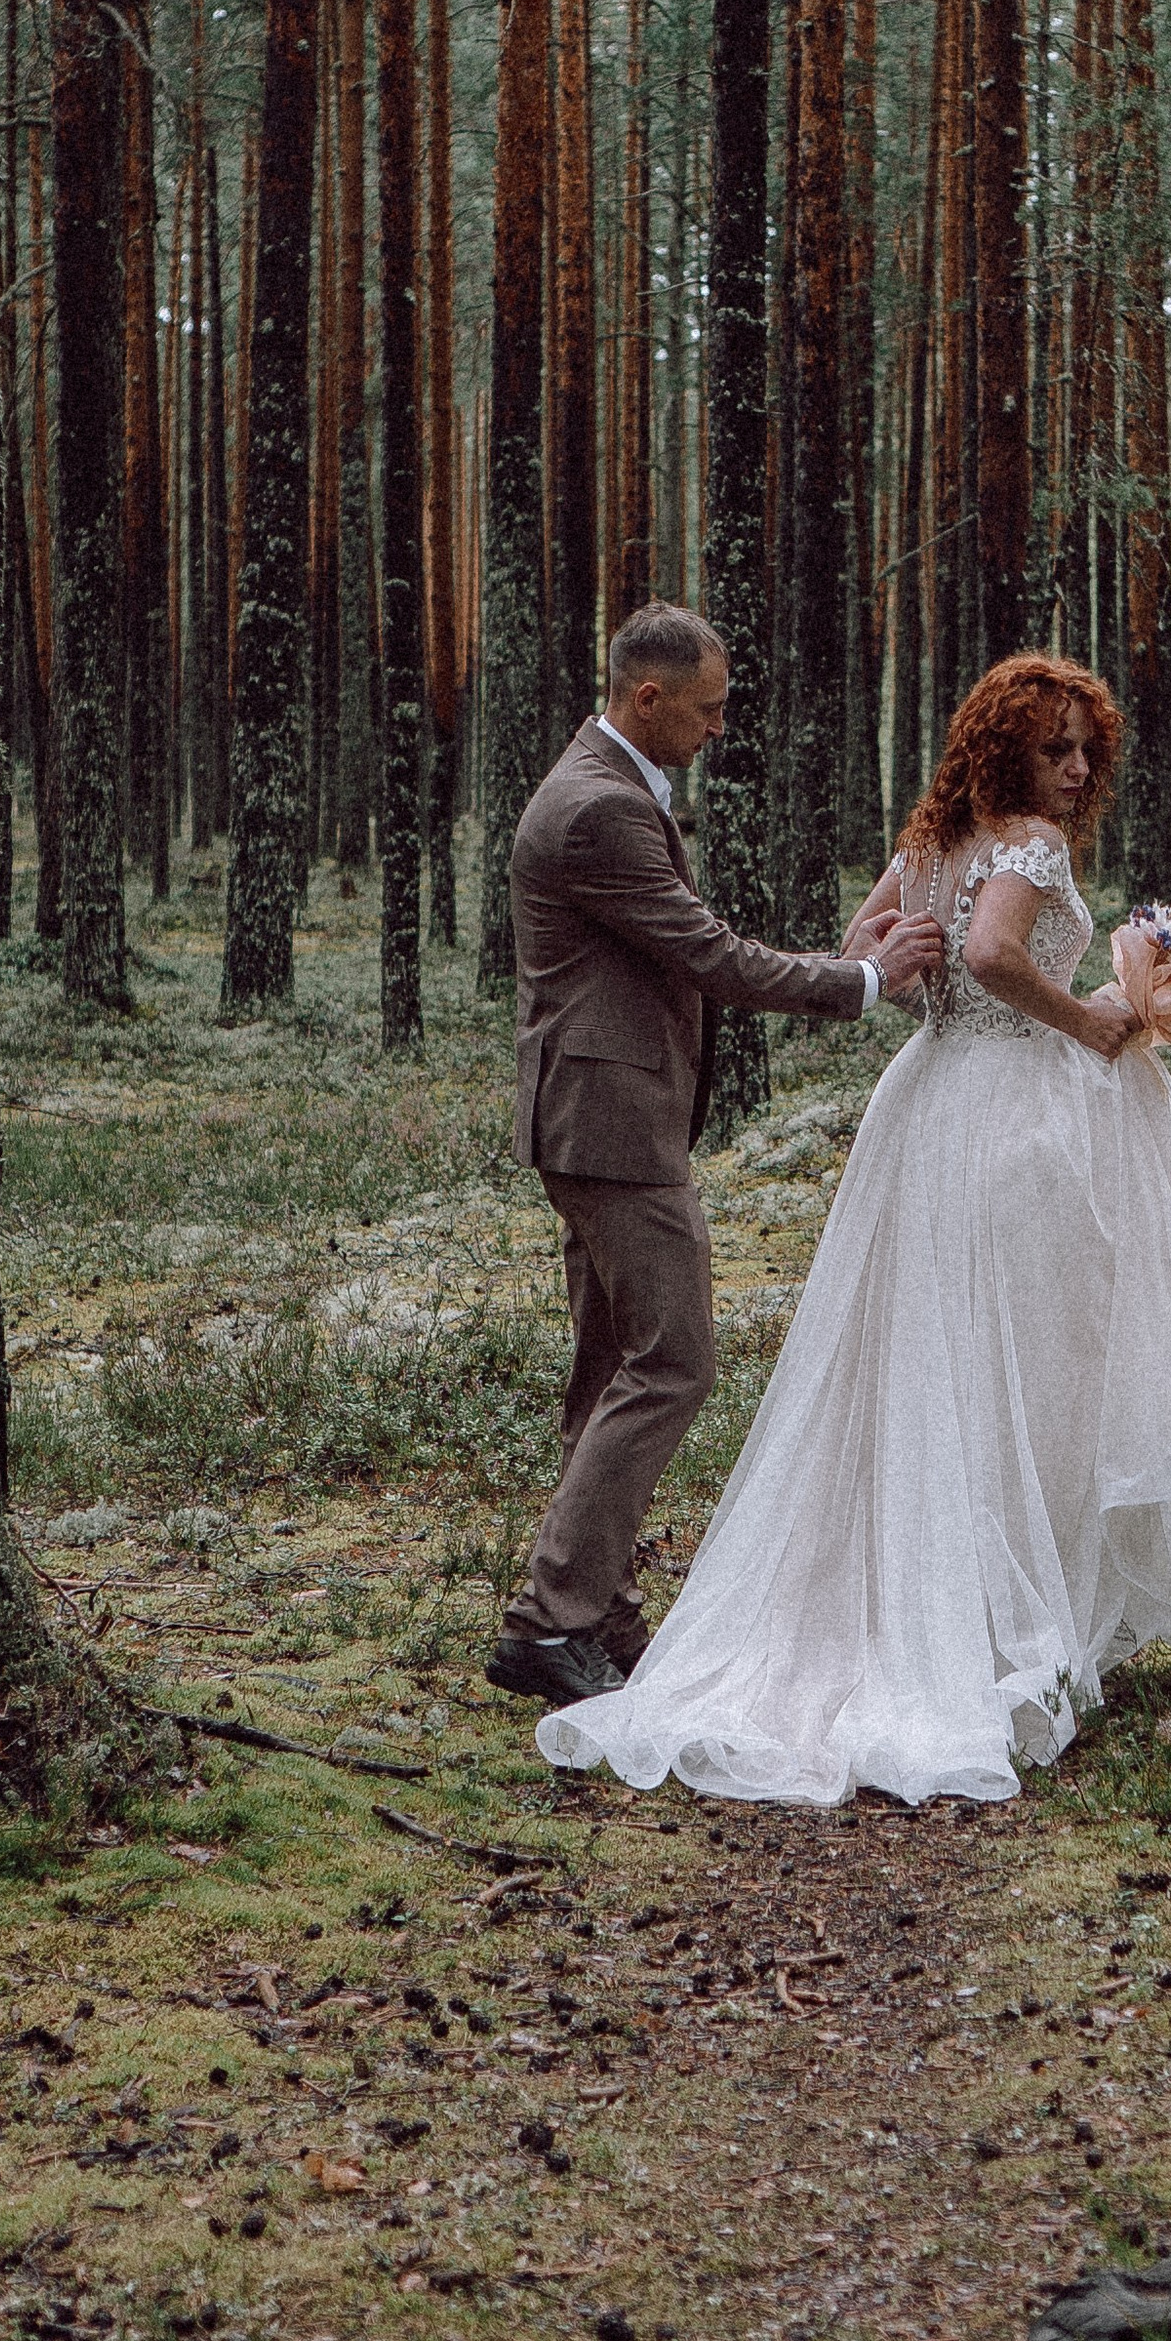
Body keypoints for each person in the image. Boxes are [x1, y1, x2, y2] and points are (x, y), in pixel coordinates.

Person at [534, 651, 1171, 1806]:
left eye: (1086, 752)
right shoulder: (1029, 845)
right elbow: (988, 954)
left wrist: (927, 992)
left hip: (926, 1102)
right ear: (1007, 750)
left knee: (936, 1359)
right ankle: (997, 1617)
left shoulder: (931, 844)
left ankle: (956, 1592)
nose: (1075, 772)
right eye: (1054, 750)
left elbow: (869, 941)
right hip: (1011, 1115)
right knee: (1028, 1362)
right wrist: (1084, 1021)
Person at [488, 602, 944, 1712]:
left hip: (595, 1118)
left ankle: (593, 1606)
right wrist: (864, 981)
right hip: (610, 1126)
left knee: (610, 1366)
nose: (718, 727)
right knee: (675, 1362)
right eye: (706, 708)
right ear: (646, 698)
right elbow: (706, 953)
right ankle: (550, 1620)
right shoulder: (599, 808)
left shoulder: (606, 784)